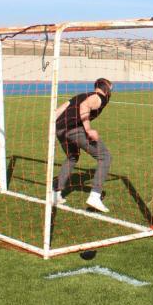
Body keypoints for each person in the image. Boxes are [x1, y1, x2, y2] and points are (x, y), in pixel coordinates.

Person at [52, 78, 113, 212]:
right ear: (106, 89)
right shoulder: (99, 98)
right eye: (111, 88)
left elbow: (57, 111)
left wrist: (53, 130)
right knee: (105, 156)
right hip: (74, 129)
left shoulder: (80, 95)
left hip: (60, 130)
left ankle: (56, 193)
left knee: (72, 156)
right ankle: (95, 196)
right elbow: (84, 106)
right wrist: (88, 129)